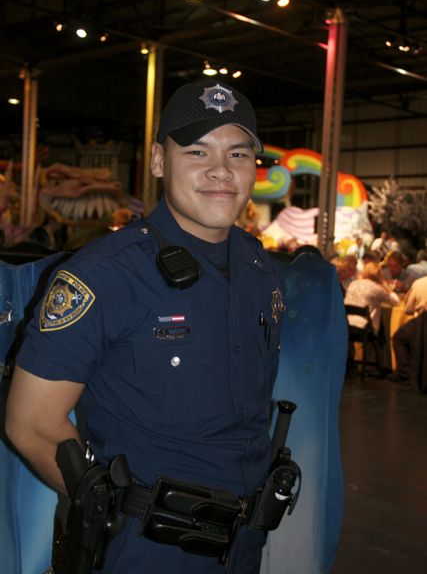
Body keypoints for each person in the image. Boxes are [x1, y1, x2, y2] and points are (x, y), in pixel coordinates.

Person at [5, 80, 286, 574]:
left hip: (245, 545)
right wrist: (110, 511)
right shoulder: (104, 275)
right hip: (147, 547)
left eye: (238, 153)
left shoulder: (262, 271)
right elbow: (30, 423)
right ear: (159, 160)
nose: (221, 169)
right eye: (197, 151)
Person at [389, 275, 427, 384]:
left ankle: (405, 372)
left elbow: (408, 309)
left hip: (421, 322)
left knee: (399, 338)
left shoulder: (419, 283)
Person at [344, 261, 399, 334]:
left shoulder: (353, 283)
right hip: (365, 328)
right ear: (379, 275)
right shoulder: (377, 288)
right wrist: (386, 286)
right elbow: (396, 302)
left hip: (346, 323)